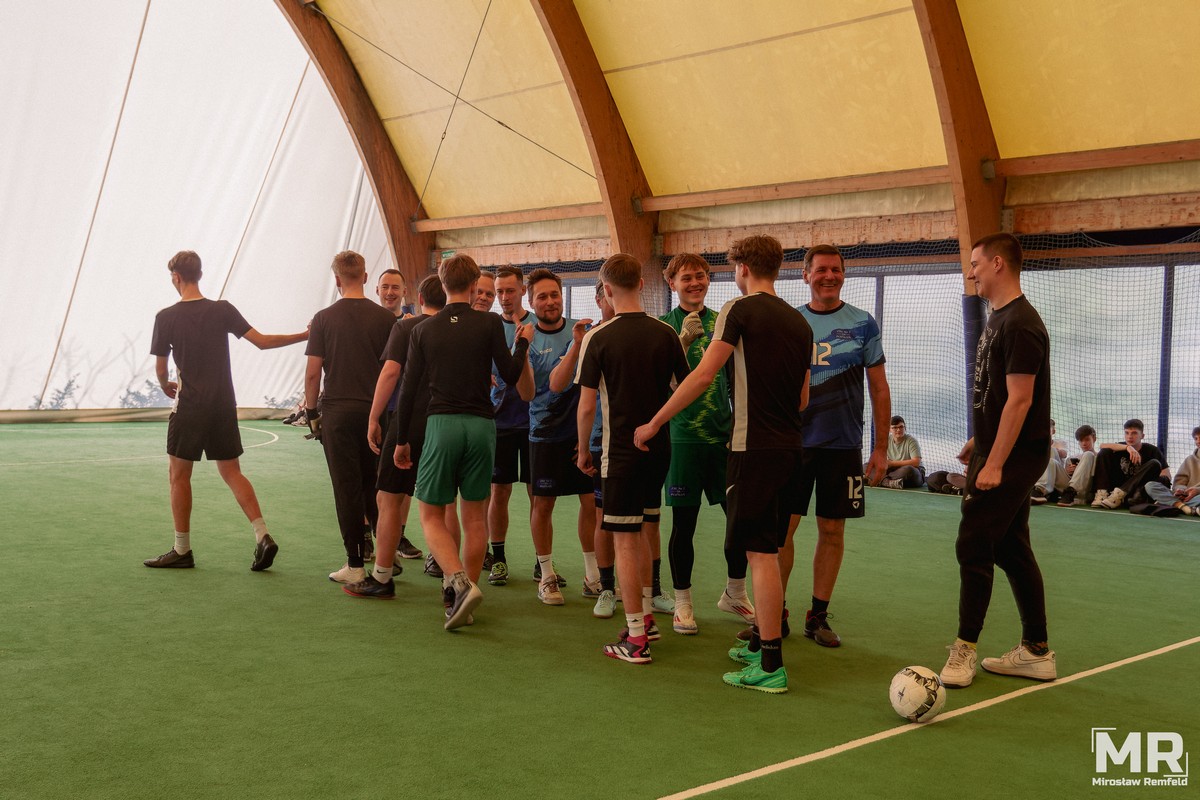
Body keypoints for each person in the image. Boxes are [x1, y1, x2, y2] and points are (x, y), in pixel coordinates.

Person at [636, 234, 811, 694]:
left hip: (752, 449)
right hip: (792, 449)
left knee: (761, 557)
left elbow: (703, 375)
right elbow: (802, 398)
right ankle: (758, 643)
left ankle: (770, 663)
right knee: (768, 549)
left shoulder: (737, 309)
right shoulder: (799, 320)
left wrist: (654, 422)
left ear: (743, 269)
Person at [940, 232, 1057, 689]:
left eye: (975, 263)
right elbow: (999, 393)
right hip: (996, 448)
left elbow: (1021, 400)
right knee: (1011, 547)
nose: (971, 272)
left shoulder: (1022, 323)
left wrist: (995, 463)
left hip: (1014, 456)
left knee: (973, 543)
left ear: (997, 264)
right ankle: (1036, 651)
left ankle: (964, 649)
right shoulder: (999, 317)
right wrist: (980, 439)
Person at [392, 254, 533, 629]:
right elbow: (510, 374)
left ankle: (457, 582)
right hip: (482, 427)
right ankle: (465, 599)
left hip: (442, 425)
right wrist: (522, 344)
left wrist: (402, 440)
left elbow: (408, 389)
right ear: (473, 286)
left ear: (441, 283)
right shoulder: (489, 323)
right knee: (474, 518)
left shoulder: (422, 330)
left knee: (430, 514)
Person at [145, 250, 308, 570]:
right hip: (222, 406)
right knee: (232, 472)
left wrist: (165, 385)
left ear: (176, 277)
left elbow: (161, 369)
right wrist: (305, 334)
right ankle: (262, 535)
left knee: (179, 476)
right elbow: (262, 341)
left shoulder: (166, 317)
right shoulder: (222, 309)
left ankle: (182, 550)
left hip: (189, 407)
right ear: (200, 275)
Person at [576, 254, 690, 663]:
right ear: (642, 283)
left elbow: (586, 406)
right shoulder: (666, 333)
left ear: (606, 289)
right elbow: (684, 388)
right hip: (658, 450)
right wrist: (657, 423)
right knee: (641, 531)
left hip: (620, 452)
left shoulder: (597, 337)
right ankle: (647, 620)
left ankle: (637, 639)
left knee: (624, 539)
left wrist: (582, 450)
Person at [778, 243, 890, 649]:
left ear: (844, 274)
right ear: (805, 275)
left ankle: (818, 617)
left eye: (836, 270)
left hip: (842, 446)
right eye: (821, 269)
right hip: (793, 445)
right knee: (781, 531)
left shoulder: (863, 323)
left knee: (832, 530)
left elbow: (879, 388)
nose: (829, 276)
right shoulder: (790, 322)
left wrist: (880, 449)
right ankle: (774, 616)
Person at [658, 253, 752, 635]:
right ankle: (683, 603)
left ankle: (735, 592)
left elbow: (736, 380)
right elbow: (658, 385)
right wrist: (681, 342)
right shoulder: (663, 327)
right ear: (672, 283)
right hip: (681, 440)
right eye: (686, 277)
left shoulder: (724, 322)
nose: (695, 282)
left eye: (700, 275)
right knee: (684, 524)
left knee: (739, 520)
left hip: (723, 440)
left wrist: (738, 428)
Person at [344, 275, 448, 598]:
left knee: (387, 498)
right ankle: (451, 579)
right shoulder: (459, 329)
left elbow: (390, 372)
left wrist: (374, 417)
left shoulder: (406, 328)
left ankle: (382, 576)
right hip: (446, 424)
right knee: (444, 504)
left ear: (418, 297)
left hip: (409, 422)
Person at [305, 251, 398, 584]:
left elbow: (313, 373)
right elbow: (394, 371)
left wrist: (311, 412)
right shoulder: (387, 320)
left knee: (347, 488)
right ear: (366, 277)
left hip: (337, 414)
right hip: (376, 412)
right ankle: (387, 559)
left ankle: (356, 565)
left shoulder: (322, 319)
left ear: (336, 280)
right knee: (376, 487)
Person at [516, 268, 597, 605]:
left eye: (554, 295)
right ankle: (547, 575)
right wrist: (522, 350)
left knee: (591, 502)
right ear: (531, 302)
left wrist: (588, 433)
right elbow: (528, 393)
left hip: (582, 435)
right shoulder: (525, 338)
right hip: (544, 435)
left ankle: (593, 575)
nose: (550, 302)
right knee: (543, 504)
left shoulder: (584, 331)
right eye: (542, 297)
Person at [547, 279, 617, 616]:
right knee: (595, 509)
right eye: (608, 295)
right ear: (599, 298)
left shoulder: (642, 331)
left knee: (641, 519)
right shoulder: (589, 336)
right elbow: (561, 386)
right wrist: (584, 440)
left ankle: (648, 588)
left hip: (629, 442)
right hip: (592, 440)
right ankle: (599, 580)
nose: (613, 300)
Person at [485, 265, 534, 587]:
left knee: (538, 496)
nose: (504, 297)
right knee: (498, 492)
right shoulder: (488, 327)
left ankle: (543, 562)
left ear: (522, 291)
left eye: (510, 291)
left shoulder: (536, 325)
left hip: (534, 425)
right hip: (498, 423)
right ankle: (498, 558)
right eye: (499, 291)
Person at [1091, 419, 1171, 509]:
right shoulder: (1120, 447)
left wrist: (1147, 477)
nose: (1130, 437)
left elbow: (1166, 476)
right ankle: (1102, 494)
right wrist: (1128, 447)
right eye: (1127, 433)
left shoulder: (1152, 450)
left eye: (1134, 433)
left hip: (1138, 491)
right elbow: (1102, 446)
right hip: (1115, 490)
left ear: (1142, 436)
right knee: (1104, 451)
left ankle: (1121, 495)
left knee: (1155, 463)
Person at [1143, 426, 1200, 516]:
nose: (1198, 441)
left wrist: (1197, 490)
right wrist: (1181, 490)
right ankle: (1183, 506)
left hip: (1197, 497)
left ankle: (1168, 502)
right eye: (1196, 438)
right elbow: (1179, 482)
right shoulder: (1189, 460)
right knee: (1150, 485)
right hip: (1184, 497)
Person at [1055, 424, 1098, 506]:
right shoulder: (1071, 458)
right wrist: (1067, 472)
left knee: (1088, 454)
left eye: (1087, 440)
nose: (1084, 443)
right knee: (1052, 462)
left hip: (1088, 491)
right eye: (1081, 441)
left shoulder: (1100, 457)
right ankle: (1040, 490)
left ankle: (1071, 492)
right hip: (1067, 493)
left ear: (1094, 439)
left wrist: (1081, 470)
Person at [1030, 419, 1069, 504]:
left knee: (1051, 451)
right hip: (1041, 474)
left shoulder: (1060, 442)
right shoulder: (1037, 444)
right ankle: (1041, 489)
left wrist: (1049, 447)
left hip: (1058, 474)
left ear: (1053, 431)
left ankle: (1044, 490)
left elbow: (1064, 454)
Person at [880, 416, 925, 489]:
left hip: (915, 472)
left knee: (909, 470)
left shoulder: (911, 441)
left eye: (901, 427)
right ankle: (889, 482)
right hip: (895, 471)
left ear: (905, 428)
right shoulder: (886, 441)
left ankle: (882, 480)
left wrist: (892, 463)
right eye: (895, 427)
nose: (898, 430)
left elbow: (916, 462)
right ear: (889, 430)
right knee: (867, 466)